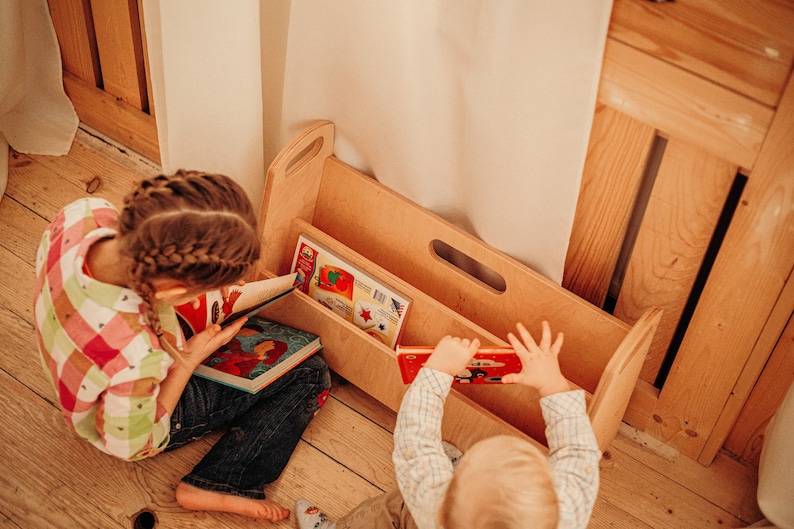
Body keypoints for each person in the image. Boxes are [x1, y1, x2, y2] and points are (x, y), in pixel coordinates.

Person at [34, 170, 331, 522]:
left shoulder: (84, 213)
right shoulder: (139, 354)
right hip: (125, 417)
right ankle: (223, 480)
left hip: (79, 360)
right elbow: (130, 444)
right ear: (172, 293)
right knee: (309, 373)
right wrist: (187, 360)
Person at [296, 321, 600, 529]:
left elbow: (415, 441)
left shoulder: (433, 504)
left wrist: (438, 371)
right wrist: (552, 382)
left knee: (401, 506)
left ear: (446, 508)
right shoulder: (568, 512)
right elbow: (579, 452)